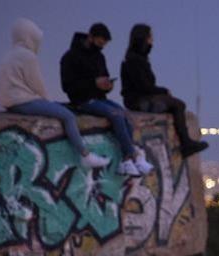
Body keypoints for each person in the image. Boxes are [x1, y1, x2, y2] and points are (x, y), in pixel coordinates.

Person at [0, 18, 110, 170]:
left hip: (10, 101)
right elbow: (37, 86)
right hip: (21, 101)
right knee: (68, 116)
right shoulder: (27, 56)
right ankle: (85, 155)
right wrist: (49, 102)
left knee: (60, 109)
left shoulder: (11, 54)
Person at [59, 23, 153, 177]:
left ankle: (128, 161)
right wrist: (93, 83)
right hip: (82, 101)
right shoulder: (70, 57)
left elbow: (104, 76)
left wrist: (107, 86)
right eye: (100, 43)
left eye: (104, 44)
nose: (101, 47)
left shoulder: (99, 56)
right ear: (90, 37)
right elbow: (67, 86)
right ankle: (133, 157)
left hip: (99, 97)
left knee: (123, 114)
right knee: (115, 115)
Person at [121, 24, 208, 157]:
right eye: (150, 37)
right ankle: (186, 144)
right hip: (138, 101)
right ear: (143, 38)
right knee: (178, 105)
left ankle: (186, 143)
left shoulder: (138, 58)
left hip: (139, 98)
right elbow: (144, 86)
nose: (152, 41)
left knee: (176, 104)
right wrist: (163, 91)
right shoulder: (135, 60)